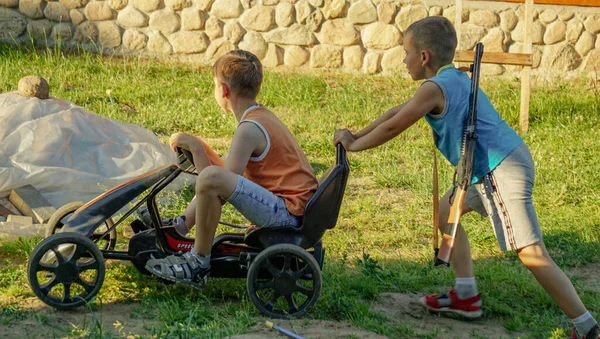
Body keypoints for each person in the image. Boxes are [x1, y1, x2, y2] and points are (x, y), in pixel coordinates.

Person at [332, 16, 598, 339]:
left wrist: (354, 145)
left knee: (531, 253)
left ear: (424, 57)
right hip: (493, 166)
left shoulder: (435, 88)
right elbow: (394, 113)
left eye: (406, 53)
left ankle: (587, 327)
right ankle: (466, 295)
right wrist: (354, 134)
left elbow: (393, 126)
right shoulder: (449, 79)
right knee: (448, 210)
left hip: (499, 169)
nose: (404, 60)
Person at [146, 50, 318, 289]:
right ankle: (178, 226)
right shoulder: (259, 117)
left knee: (213, 178)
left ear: (224, 90)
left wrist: (196, 146)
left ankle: (198, 262)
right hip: (295, 209)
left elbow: (218, 185)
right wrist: (199, 151)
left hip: (288, 215)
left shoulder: (249, 129)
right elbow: (223, 175)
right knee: (214, 176)